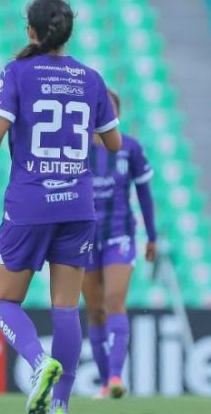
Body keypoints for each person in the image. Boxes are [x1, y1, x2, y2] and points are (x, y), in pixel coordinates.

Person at [0, 0, 122, 414]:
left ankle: (37, 362)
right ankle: (60, 406)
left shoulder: (17, 72)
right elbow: (114, 143)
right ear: (67, 32)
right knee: (67, 308)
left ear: (30, 31)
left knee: (4, 301)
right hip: (77, 205)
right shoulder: (91, 79)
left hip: (30, 204)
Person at [82, 89, 156, 399]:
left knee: (114, 301)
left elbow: (144, 194)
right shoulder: (78, 149)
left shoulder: (131, 148)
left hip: (120, 235)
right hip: (83, 240)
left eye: (109, 107)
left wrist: (152, 236)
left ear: (118, 114)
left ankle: (115, 377)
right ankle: (103, 380)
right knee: (95, 310)